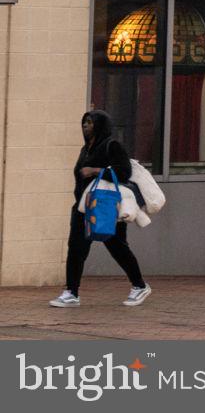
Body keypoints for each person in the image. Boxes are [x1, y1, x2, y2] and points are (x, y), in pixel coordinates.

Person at [54, 110, 149, 308]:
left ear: (100, 125)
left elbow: (124, 172)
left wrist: (96, 170)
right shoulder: (85, 149)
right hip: (83, 207)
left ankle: (140, 285)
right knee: (76, 248)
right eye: (84, 123)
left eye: (89, 123)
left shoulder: (112, 145)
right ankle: (71, 292)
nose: (85, 126)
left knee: (117, 247)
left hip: (106, 207)